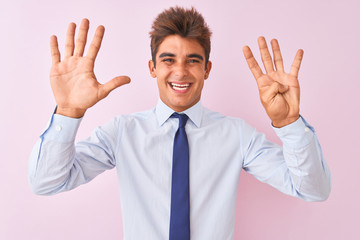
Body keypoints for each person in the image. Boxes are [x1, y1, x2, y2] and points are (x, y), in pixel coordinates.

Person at [29, 6, 331, 240]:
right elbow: (47, 182)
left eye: (193, 60)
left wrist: (289, 122)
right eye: (169, 60)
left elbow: (313, 190)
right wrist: (67, 112)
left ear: (207, 69)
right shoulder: (122, 132)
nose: (180, 71)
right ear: (153, 67)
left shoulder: (236, 135)